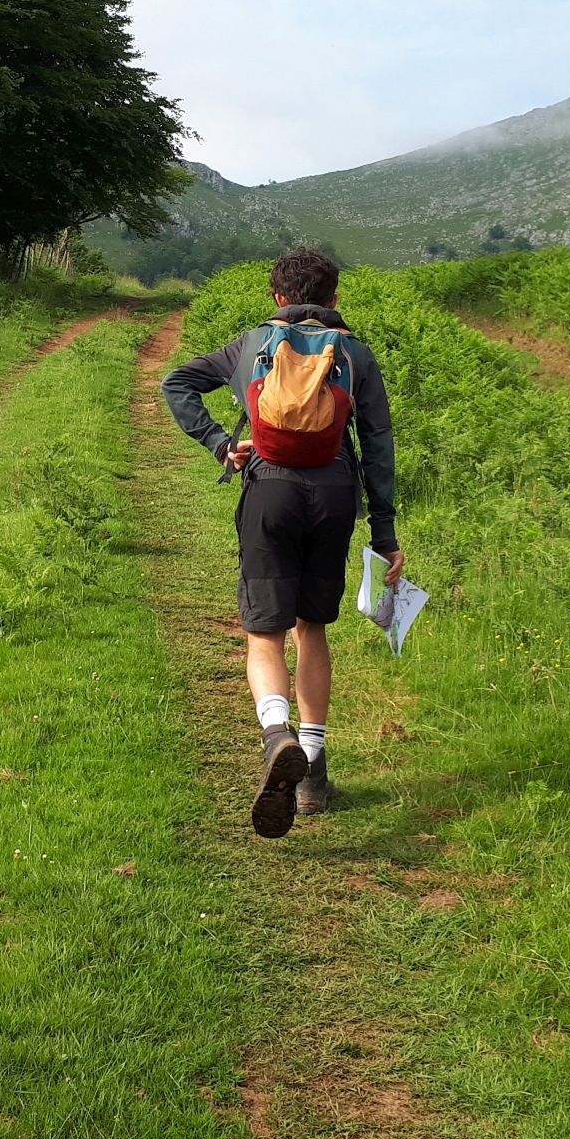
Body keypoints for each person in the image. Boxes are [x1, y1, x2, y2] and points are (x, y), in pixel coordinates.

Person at [161, 247, 401, 837]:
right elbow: (378, 444)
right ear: (335, 299)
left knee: (264, 631)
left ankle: (277, 735)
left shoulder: (250, 345)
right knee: (310, 628)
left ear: (277, 299)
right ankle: (314, 776)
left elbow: (178, 383)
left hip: (269, 490)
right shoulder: (356, 353)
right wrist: (386, 533)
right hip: (335, 495)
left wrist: (222, 443)